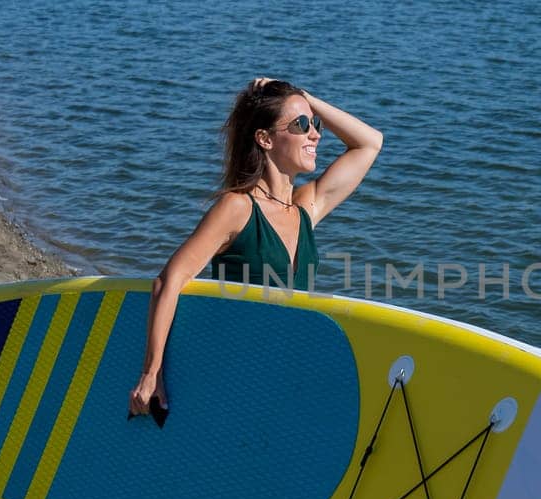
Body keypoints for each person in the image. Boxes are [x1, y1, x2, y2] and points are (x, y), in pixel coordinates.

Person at [128, 78, 383, 417]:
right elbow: (170, 280)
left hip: (287, 372)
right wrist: (152, 372)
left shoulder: (305, 208)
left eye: (315, 125)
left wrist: (305, 99)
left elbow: (370, 144)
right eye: (301, 125)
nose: (315, 134)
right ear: (264, 139)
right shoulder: (237, 208)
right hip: (238, 369)